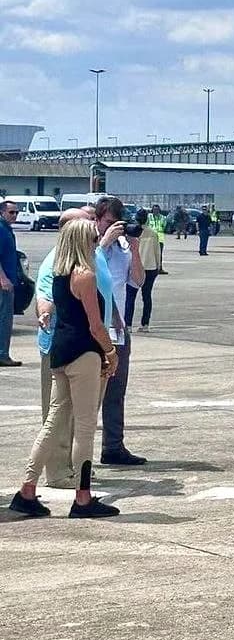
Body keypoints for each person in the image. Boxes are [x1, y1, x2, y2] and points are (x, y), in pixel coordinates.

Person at [9, 218, 120, 519]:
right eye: (94, 238)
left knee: (54, 421)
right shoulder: (85, 275)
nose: (97, 242)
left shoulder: (59, 274)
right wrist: (111, 352)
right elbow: (95, 325)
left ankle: (27, 489)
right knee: (84, 427)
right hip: (84, 353)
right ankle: (82, 498)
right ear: (84, 242)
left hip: (60, 351)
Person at [34, 205, 115, 488]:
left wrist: (116, 324)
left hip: (91, 345)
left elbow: (106, 293)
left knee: (78, 414)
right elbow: (44, 296)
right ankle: (60, 473)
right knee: (67, 419)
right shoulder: (59, 262)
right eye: (88, 223)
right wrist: (110, 351)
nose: (94, 227)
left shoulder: (94, 256)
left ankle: (70, 471)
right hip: (74, 346)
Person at [95, 196, 147, 467]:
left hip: (118, 330)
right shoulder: (90, 243)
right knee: (87, 394)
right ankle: (74, 454)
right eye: (108, 223)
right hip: (92, 328)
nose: (114, 228)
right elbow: (87, 269)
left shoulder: (125, 248)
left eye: (118, 224)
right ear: (97, 220)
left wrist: (135, 249)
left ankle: (113, 446)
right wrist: (104, 242)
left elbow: (137, 281)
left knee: (116, 391)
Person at [125, 209, 160, 332]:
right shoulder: (153, 233)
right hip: (150, 267)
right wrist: (158, 266)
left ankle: (128, 324)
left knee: (130, 296)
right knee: (147, 296)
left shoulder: (132, 233)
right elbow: (157, 252)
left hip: (136, 266)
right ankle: (145, 324)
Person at [0, 199, 21, 367]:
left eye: (16, 212)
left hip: (9, 281)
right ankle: (2, 355)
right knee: (4, 320)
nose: (14, 215)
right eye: (11, 212)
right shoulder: (1, 229)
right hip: (3, 284)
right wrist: (3, 278)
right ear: (2, 212)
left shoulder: (6, 229)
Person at [147, 204, 168, 274]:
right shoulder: (149, 217)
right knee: (150, 254)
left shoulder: (163, 218)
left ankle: (159, 268)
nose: (155, 211)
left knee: (159, 254)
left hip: (160, 238)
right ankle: (150, 268)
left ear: (159, 210)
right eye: (154, 209)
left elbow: (164, 226)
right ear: (152, 210)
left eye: (157, 210)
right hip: (150, 238)